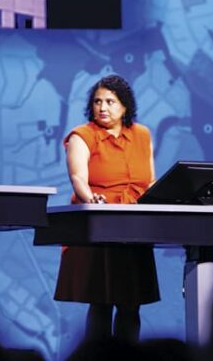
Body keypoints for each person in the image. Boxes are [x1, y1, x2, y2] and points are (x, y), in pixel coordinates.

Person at [54, 74, 159, 342]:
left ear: (125, 106)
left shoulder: (142, 135)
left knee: (130, 302)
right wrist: (91, 199)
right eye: (98, 101)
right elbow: (78, 177)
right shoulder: (82, 136)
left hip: (135, 224)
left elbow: (149, 179)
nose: (103, 107)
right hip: (101, 223)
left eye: (110, 101)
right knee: (101, 301)